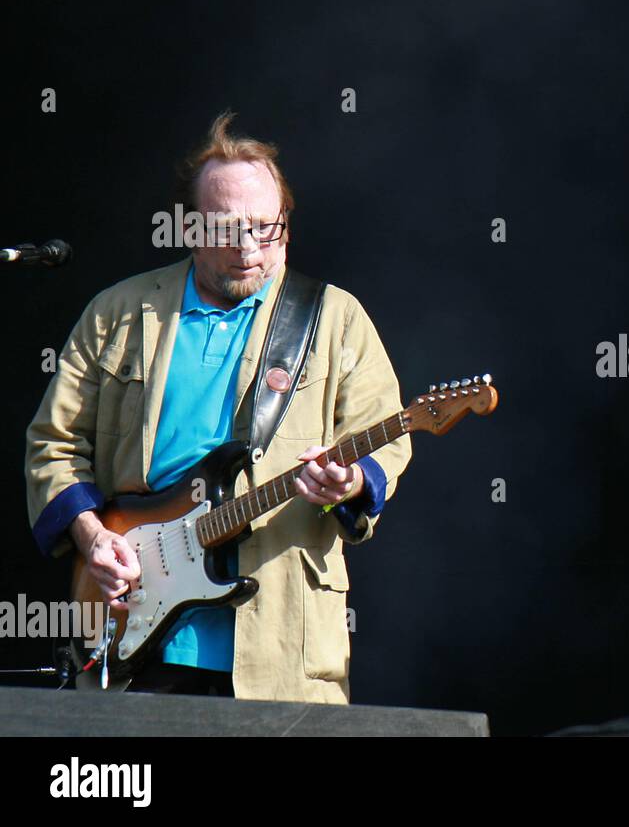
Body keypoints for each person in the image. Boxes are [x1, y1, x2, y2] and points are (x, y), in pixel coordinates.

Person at [25, 112, 412, 702]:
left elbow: (385, 435)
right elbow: (53, 444)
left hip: (281, 645)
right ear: (187, 226)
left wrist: (353, 479)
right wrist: (91, 537)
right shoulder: (117, 313)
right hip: (131, 631)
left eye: (267, 228)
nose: (249, 250)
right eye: (227, 230)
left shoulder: (335, 319)